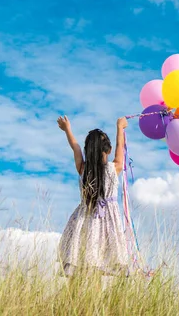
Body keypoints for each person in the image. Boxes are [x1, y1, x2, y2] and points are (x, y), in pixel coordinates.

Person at [56, 115, 130, 277]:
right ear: (108, 150)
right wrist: (120, 127)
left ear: (87, 151)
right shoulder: (114, 168)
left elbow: (75, 148)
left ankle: (74, 301)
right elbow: (120, 147)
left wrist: (67, 129)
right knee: (97, 266)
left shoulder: (83, 169)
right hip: (107, 224)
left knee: (80, 268)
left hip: (83, 221)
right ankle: (94, 301)